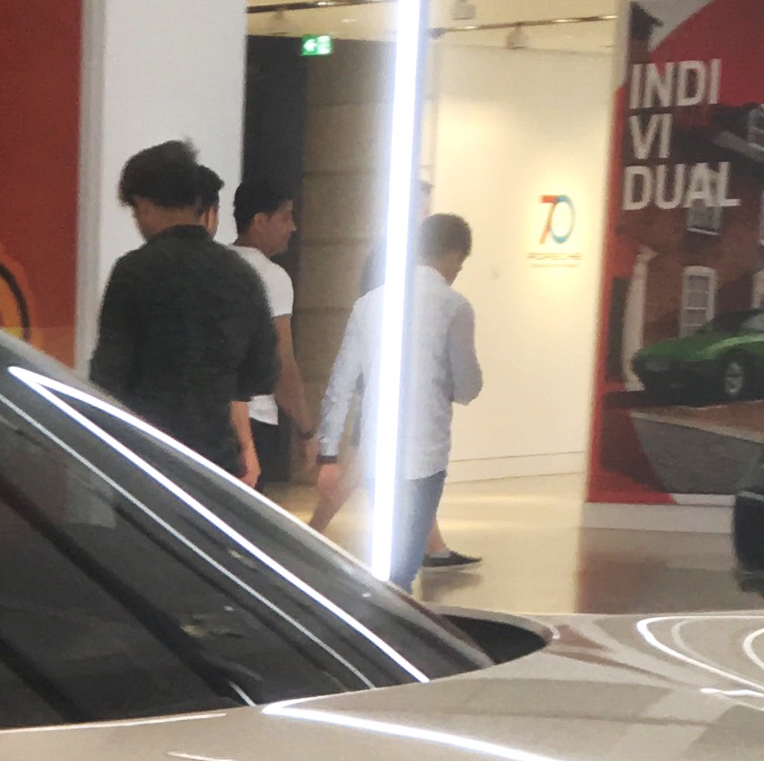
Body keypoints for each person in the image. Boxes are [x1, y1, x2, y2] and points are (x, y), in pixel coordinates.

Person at [88, 138, 275, 481]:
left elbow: (108, 376)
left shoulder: (134, 271)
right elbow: (261, 373)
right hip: (216, 460)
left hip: (145, 462)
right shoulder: (241, 274)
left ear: (144, 204)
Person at [316, 212, 482, 591]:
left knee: (391, 554)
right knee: (404, 565)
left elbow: (341, 383)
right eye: (459, 263)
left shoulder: (369, 304)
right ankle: (394, 612)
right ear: (454, 254)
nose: (457, 271)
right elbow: (468, 386)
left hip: (379, 449)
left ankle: (384, 605)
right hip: (428, 452)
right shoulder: (455, 306)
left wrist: (328, 451)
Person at [230, 178, 307, 493]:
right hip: (255, 416)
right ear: (259, 222)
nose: (293, 227)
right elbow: (281, 359)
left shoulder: (216, 264)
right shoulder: (272, 277)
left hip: (209, 415)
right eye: (285, 217)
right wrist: (306, 429)